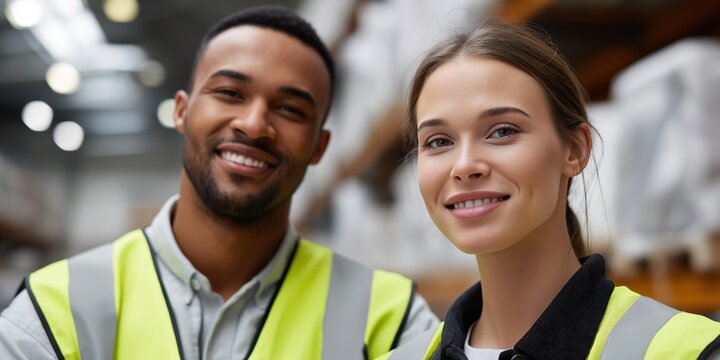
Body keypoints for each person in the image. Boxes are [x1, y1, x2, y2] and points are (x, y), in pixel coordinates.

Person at [0, 5, 438, 360]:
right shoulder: (56, 307)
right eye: (229, 92)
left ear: (319, 148)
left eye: (290, 109)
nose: (254, 124)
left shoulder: (390, 319)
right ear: (181, 111)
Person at [380, 22, 720, 360]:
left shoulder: (689, 351)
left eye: (502, 131)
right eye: (439, 141)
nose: (464, 165)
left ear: (574, 150)